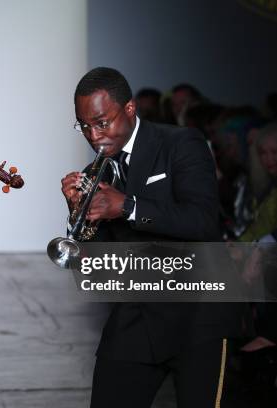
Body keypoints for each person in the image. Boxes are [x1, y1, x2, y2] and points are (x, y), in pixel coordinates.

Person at [61, 67, 244, 408]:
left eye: (102, 122)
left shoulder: (180, 143)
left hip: (197, 315)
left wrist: (127, 206)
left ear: (130, 108)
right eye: (84, 126)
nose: (94, 135)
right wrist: (78, 213)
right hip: (138, 316)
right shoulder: (92, 174)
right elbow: (97, 268)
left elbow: (202, 221)